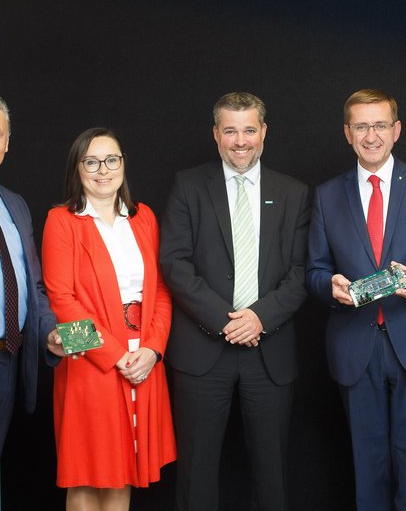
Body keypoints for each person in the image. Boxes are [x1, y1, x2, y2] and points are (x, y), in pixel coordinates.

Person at [306, 89, 406, 511]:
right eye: (361, 126)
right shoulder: (326, 195)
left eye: (380, 125)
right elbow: (314, 271)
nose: (371, 135)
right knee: (368, 465)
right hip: (356, 349)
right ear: (347, 133)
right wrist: (330, 287)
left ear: (396, 131)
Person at [160, 91, 310, 511]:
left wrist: (258, 318)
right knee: (196, 472)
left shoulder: (294, 192)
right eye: (230, 130)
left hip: (270, 350)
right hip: (203, 350)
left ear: (263, 132)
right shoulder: (189, 185)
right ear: (215, 134)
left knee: (272, 472)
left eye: (248, 130)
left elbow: (301, 272)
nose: (240, 141)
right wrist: (226, 321)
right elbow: (174, 262)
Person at [41, 127, 176, 510]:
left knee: (126, 469)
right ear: (78, 168)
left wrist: (153, 349)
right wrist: (115, 356)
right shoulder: (61, 220)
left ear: (123, 165)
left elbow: (163, 290)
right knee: (87, 471)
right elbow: (61, 300)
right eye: (92, 161)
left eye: (111, 159)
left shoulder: (144, 218)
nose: (103, 170)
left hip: (144, 359)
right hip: (91, 359)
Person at [0, 90, 63, 509]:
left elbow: (34, 287)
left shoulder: (17, 206)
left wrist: (50, 333)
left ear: (8, 142)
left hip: (7, 366)